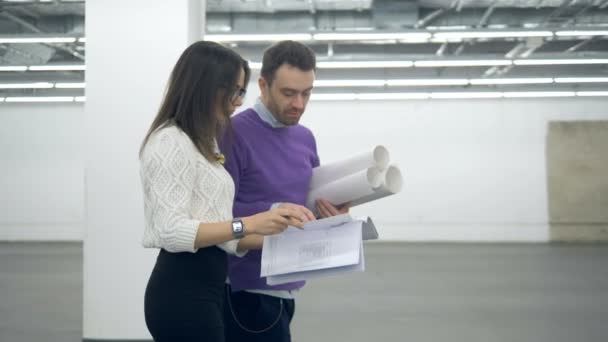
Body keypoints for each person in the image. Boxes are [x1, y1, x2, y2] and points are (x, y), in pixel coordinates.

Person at [139, 40, 303, 342]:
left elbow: (222, 235)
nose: (239, 101)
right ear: (206, 86)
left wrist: (281, 233)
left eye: (242, 91)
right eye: (235, 90)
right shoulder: (169, 141)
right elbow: (171, 232)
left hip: (208, 287)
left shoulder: (204, 142)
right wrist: (249, 223)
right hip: (181, 290)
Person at [220, 40, 349, 342]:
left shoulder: (305, 138)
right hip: (243, 292)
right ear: (263, 86)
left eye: (307, 93)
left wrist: (331, 215)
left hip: (286, 286)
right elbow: (217, 218)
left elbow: (304, 206)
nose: (299, 104)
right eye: (289, 93)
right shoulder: (231, 134)